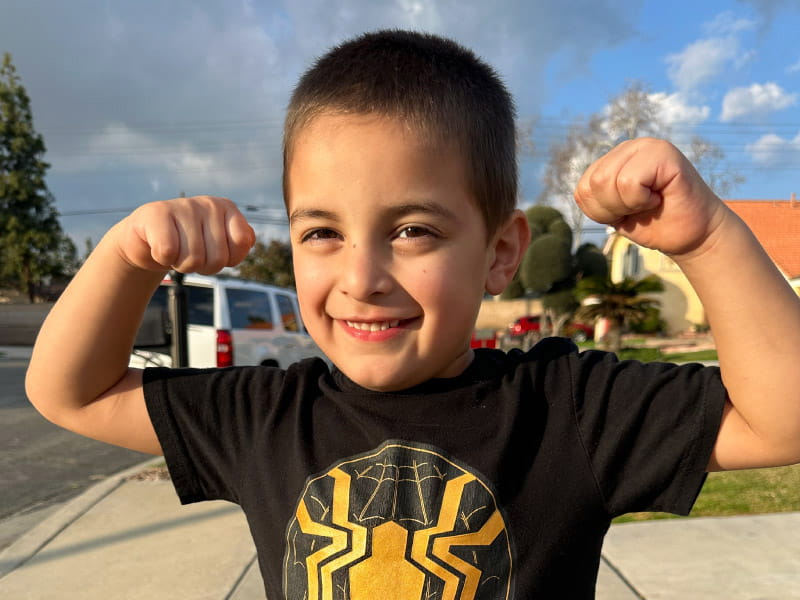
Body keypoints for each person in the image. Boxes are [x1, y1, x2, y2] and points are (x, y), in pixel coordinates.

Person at [26, 30, 800, 599]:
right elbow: (71, 392)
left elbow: (785, 419)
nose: (361, 278)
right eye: (321, 232)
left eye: (413, 231)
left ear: (501, 253)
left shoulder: (569, 409)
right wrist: (126, 258)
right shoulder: (264, 415)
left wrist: (708, 239)